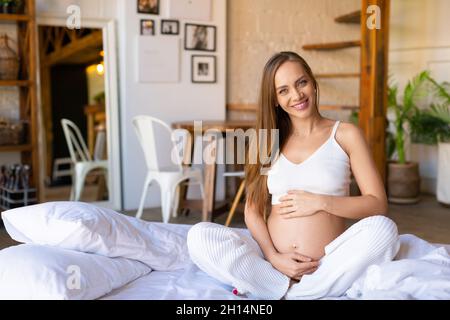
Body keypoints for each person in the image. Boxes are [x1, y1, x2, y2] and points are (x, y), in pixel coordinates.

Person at [187, 51, 400, 300]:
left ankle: (295, 291)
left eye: (301, 83)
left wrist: (320, 202)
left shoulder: (345, 135)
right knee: (199, 235)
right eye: (283, 90)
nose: (297, 95)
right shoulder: (267, 142)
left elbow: (377, 203)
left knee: (384, 230)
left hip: (326, 264)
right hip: (273, 262)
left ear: (313, 82)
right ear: (275, 99)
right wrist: (273, 257)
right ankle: (284, 284)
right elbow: (252, 210)